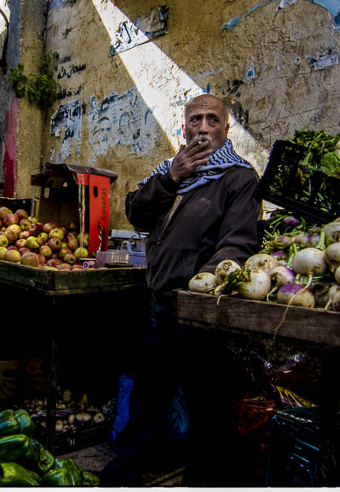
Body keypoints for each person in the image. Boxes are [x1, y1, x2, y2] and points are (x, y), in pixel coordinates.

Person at [101, 93, 261, 485]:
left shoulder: (238, 178)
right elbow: (137, 212)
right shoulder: (172, 170)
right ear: (184, 126)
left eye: (211, 120)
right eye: (195, 120)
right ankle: (127, 470)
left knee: (204, 401)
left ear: (225, 128)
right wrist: (170, 178)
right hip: (160, 304)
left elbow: (238, 243)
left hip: (198, 311)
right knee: (148, 394)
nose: (203, 128)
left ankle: (203, 479)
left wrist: (200, 293)